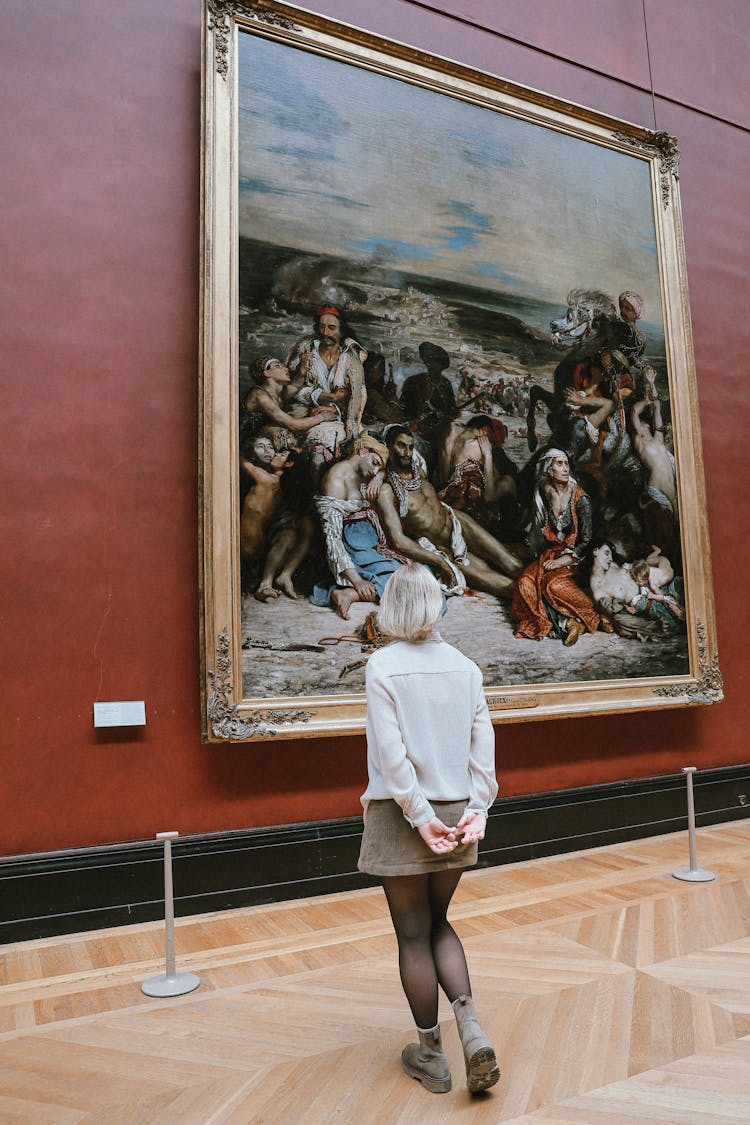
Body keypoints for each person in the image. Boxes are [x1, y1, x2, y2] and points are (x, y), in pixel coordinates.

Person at [358, 562, 500, 1095]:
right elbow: (481, 742)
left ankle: (432, 1054)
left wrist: (418, 818)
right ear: (437, 604)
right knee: (440, 922)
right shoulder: (464, 666)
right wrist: (479, 807)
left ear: (392, 606)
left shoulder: (383, 666)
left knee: (413, 934)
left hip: (403, 815)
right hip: (457, 811)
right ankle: (473, 1030)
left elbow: (392, 759)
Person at [377, 427, 522, 598]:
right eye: (401, 446)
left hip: (459, 523)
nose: (407, 452)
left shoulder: (419, 471)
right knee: (504, 585)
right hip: (443, 548)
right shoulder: (386, 491)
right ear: (388, 446)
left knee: (514, 565)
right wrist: (439, 562)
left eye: (410, 447)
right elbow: (399, 541)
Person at [310, 433, 405, 619]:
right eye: (375, 463)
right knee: (408, 580)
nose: (375, 471)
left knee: (417, 574)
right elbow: (332, 540)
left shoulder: (364, 471)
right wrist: (357, 580)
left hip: (367, 541)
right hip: (352, 547)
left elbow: (380, 471)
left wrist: (380, 476)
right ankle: (350, 593)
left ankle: (350, 593)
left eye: (379, 468)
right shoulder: (336, 481)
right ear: (362, 451)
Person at [512, 448, 600, 644]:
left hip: (576, 557)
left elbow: (586, 540)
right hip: (549, 553)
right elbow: (538, 526)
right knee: (526, 582)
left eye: (566, 464)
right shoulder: (543, 490)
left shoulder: (581, 499)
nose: (565, 468)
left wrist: (566, 559)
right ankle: (568, 623)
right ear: (549, 469)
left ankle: (583, 618)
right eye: (559, 464)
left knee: (554, 586)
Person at [286, 305, 367, 476]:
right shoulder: (306, 352)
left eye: (331, 327)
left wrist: (335, 410)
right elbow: (292, 391)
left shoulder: (350, 358)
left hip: (341, 416)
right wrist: (325, 396)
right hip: (307, 414)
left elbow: (356, 396)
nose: (325, 332)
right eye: (321, 327)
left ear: (342, 330)